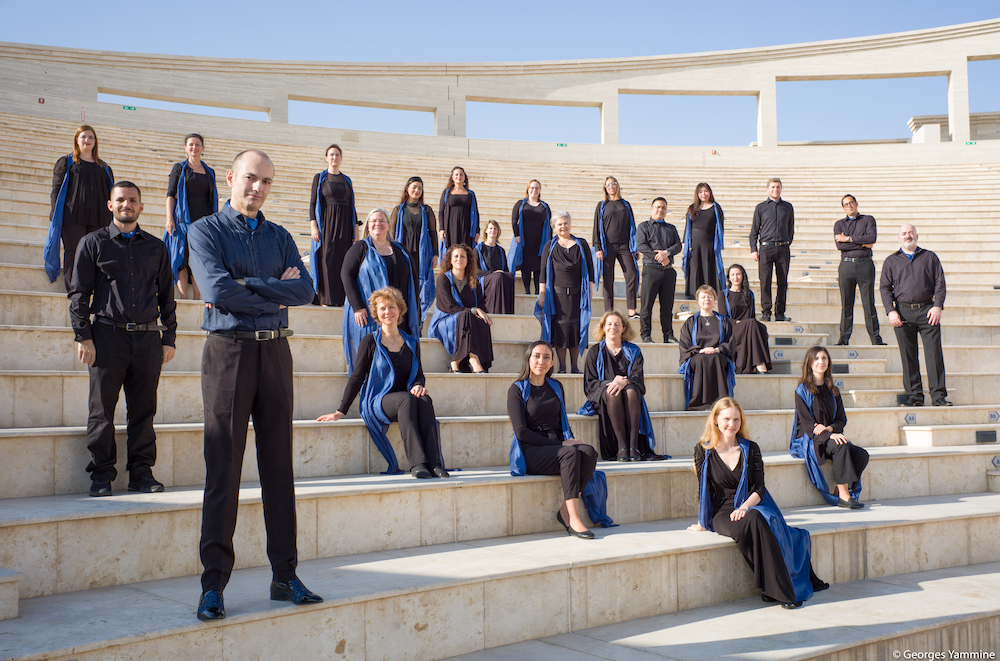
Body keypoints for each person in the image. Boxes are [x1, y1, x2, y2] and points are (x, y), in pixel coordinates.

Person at [188, 150, 321, 622]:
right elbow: (217, 291)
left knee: (279, 467)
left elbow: (305, 290)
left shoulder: (280, 235)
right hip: (229, 353)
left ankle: (285, 575)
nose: (257, 188)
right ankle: (213, 585)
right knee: (223, 467)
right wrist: (271, 288)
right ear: (230, 178)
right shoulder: (204, 231)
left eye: (266, 181)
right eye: (250, 178)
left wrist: (250, 283)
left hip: (275, 353)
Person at [69, 181, 176, 497]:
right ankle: (102, 474)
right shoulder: (93, 243)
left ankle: (141, 473)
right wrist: (83, 335)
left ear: (141, 207)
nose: (126, 204)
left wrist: (168, 337)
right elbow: (79, 293)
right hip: (106, 338)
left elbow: (167, 296)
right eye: (121, 200)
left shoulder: (157, 247)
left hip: (147, 340)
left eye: (132, 200)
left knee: (144, 410)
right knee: (102, 410)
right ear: (110, 205)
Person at [687, 398, 828, 609]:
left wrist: (744, 507)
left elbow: (759, 488)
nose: (731, 424)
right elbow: (704, 490)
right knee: (754, 523)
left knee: (755, 518)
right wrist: (701, 522)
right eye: (726, 419)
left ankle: (779, 591)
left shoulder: (750, 448)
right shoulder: (703, 450)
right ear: (715, 420)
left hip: (749, 505)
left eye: (736, 419)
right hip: (722, 513)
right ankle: (779, 590)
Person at [317, 287, 448, 479]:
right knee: (406, 399)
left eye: (392, 307)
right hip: (378, 400)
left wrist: (419, 384)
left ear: (399, 309)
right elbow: (357, 377)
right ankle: (417, 463)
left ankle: (435, 463)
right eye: (383, 308)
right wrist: (340, 411)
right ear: (376, 314)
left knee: (425, 400)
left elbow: (419, 374)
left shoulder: (411, 342)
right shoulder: (370, 341)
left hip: (406, 402)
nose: (388, 312)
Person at [508, 340, 599, 539]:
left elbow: (562, 421)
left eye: (546, 357)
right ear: (528, 360)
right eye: (537, 356)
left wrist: (570, 440)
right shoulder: (517, 389)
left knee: (589, 452)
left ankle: (564, 510)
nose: (541, 361)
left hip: (557, 446)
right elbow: (522, 433)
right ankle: (573, 518)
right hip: (532, 450)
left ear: (552, 363)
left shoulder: (556, 386)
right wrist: (561, 444)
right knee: (569, 453)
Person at [879, 223, 950, 407]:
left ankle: (938, 397)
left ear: (917, 236)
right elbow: (885, 288)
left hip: (928, 312)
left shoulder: (930, 257)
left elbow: (940, 283)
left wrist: (938, 306)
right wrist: (890, 310)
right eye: (904, 233)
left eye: (911, 232)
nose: (907, 236)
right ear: (899, 238)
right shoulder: (891, 261)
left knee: (934, 355)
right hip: (902, 314)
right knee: (908, 356)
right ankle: (915, 397)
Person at [341, 208, 420, 372]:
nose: (378, 224)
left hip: (398, 314)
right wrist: (357, 307)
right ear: (368, 225)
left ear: (388, 224)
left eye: (382, 221)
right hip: (370, 314)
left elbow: (412, 278)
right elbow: (346, 275)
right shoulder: (360, 248)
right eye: (374, 221)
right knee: (373, 360)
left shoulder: (400, 249)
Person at [579, 311, 663, 462]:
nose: (613, 327)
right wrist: (612, 383)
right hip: (606, 396)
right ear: (603, 327)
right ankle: (622, 446)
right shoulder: (595, 352)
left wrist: (625, 381)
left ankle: (633, 445)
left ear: (624, 328)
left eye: (618, 324)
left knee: (631, 391)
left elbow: (638, 377)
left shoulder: (634, 350)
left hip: (630, 392)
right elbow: (590, 382)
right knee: (613, 392)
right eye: (609, 324)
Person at [790, 347, 869, 509]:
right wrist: (826, 434)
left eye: (824, 358)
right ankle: (844, 496)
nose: (821, 362)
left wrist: (829, 430)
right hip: (812, 439)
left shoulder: (833, 390)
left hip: (828, 435)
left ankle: (842, 489)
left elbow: (841, 419)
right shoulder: (802, 391)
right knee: (841, 446)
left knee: (861, 455)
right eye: (817, 359)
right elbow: (806, 424)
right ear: (810, 363)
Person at [44, 125, 115, 289]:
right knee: (73, 252)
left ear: (95, 141)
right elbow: (56, 190)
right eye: (83, 137)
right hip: (72, 216)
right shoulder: (66, 162)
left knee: (96, 254)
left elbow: (112, 193)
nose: (87, 140)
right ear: (77, 139)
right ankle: (73, 290)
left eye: (91, 137)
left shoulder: (104, 167)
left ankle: (93, 289)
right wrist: (55, 213)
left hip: (99, 216)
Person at [536, 211, 594, 374]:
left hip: (577, 296)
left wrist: (589, 294)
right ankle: (562, 368)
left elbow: (590, 270)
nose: (563, 226)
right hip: (556, 296)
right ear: (554, 227)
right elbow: (543, 272)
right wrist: (542, 293)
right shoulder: (550, 246)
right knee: (560, 331)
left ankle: (575, 367)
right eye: (559, 224)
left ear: (570, 224)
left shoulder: (581, 244)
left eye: (566, 223)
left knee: (575, 329)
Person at [164, 133, 218, 300]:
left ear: (203, 148)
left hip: (203, 221)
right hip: (182, 220)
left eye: (197, 144)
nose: (194, 147)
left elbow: (212, 198)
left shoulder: (210, 172)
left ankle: (197, 297)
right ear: (185, 148)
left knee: (199, 258)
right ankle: (183, 297)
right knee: (183, 257)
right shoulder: (179, 168)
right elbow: (171, 194)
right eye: (191, 144)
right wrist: (169, 218)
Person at [428, 243, 494, 373]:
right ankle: (473, 360)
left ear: (468, 259)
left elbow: (480, 305)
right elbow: (449, 307)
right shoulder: (443, 279)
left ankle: (458, 361)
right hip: (444, 321)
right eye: (456, 256)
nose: (459, 259)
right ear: (451, 260)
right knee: (468, 315)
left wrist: (478, 312)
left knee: (482, 321)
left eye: (463, 256)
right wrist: (473, 311)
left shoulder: (474, 282)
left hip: (466, 321)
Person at [308, 144, 357, 306]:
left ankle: (340, 298)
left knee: (343, 261)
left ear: (341, 158)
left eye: (337, 155)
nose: (334, 157)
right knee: (326, 259)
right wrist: (313, 226)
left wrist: (355, 230)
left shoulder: (346, 180)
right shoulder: (320, 178)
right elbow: (313, 203)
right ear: (326, 158)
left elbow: (352, 206)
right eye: (331, 155)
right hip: (327, 223)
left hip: (345, 224)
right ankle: (325, 298)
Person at [834, 195, 884, 346]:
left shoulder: (868, 220)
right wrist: (863, 242)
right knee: (846, 304)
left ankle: (875, 339)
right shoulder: (839, 224)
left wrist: (848, 239)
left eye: (851, 203)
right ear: (843, 208)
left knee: (869, 303)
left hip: (865, 266)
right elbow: (840, 246)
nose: (849, 206)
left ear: (856, 204)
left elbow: (872, 238)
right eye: (846, 205)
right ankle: (844, 339)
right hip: (846, 266)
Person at [678, 285, 735, 411]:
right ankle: (698, 403)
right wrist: (700, 350)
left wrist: (717, 349)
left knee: (716, 358)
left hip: (719, 354)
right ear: (698, 301)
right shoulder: (691, 321)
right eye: (703, 297)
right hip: (696, 355)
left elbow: (730, 342)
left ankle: (722, 403)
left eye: (710, 296)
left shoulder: (723, 320)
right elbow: (685, 344)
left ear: (714, 300)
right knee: (701, 359)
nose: (706, 299)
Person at [390, 176, 438, 323]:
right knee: (403, 285)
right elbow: (391, 233)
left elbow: (433, 232)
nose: (417, 190)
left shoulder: (427, 210)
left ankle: (418, 321)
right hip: (403, 252)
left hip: (421, 254)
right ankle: (401, 320)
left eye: (420, 188)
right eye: (414, 187)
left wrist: (435, 254)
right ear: (407, 188)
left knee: (419, 288)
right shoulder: (398, 209)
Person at [636, 197, 681, 344]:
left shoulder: (671, 228)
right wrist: (660, 257)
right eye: (657, 207)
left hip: (668, 272)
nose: (660, 210)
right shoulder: (643, 226)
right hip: (651, 270)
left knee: (667, 306)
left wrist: (667, 252)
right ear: (651, 209)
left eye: (663, 207)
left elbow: (678, 245)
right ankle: (646, 335)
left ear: (666, 210)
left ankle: (668, 335)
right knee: (646, 305)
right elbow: (642, 246)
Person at [592, 176, 638, 317]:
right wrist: (597, 247)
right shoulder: (602, 205)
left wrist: (634, 247)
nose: (611, 186)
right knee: (608, 279)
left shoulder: (625, 204)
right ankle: (609, 311)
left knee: (632, 274)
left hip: (625, 246)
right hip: (607, 247)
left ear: (617, 186)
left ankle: (632, 310)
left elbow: (632, 225)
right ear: (605, 189)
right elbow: (596, 229)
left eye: (613, 184)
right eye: (608, 185)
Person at [749, 178, 794, 322]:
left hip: (783, 248)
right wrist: (753, 249)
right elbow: (754, 231)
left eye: (778, 187)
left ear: (781, 189)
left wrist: (786, 243)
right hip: (766, 248)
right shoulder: (760, 207)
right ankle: (766, 312)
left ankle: (780, 313)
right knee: (765, 281)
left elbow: (790, 229)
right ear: (767, 189)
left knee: (782, 281)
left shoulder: (788, 207)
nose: (775, 189)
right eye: (773, 187)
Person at [720, 264, 771, 374]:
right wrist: (736, 322)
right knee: (752, 323)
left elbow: (751, 315)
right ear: (729, 277)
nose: (735, 277)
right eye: (732, 275)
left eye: (738, 274)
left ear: (743, 276)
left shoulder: (749, 294)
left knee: (761, 327)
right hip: (733, 328)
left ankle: (756, 363)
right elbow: (722, 318)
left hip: (748, 327)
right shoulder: (723, 295)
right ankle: (759, 363)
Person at [683, 183, 725, 300]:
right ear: (697, 194)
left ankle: (711, 294)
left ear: (710, 192)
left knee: (709, 267)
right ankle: (693, 293)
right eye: (700, 191)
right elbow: (687, 227)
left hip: (710, 244)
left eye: (705, 191)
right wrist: (684, 243)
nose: (703, 194)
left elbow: (720, 227)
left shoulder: (716, 208)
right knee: (695, 267)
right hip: (694, 244)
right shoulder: (692, 208)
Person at [509, 179, 551, 294]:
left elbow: (549, 225)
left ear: (540, 190)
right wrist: (517, 235)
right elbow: (514, 220)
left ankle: (538, 291)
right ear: (528, 189)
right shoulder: (520, 204)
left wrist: (550, 241)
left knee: (538, 266)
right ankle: (527, 290)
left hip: (540, 240)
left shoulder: (545, 206)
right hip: (525, 239)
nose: (534, 190)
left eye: (537, 188)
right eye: (532, 187)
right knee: (526, 265)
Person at [475, 219, 515, 314]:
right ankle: (494, 311)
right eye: (490, 228)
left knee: (509, 276)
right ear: (486, 231)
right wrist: (492, 273)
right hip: (483, 278)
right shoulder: (478, 250)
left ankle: (507, 312)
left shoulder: (501, 250)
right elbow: (475, 271)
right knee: (498, 276)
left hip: (498, 278)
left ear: (498, 232)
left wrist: (499, 274)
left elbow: (505, 269)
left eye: (495, 228)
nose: (493, 230)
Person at [438, 166, 479, 250]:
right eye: (456, 174)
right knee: (451, 251)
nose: (459, 176)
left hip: (466, 227)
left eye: (461, 174)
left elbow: (476, 213)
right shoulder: (446, 193)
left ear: (464, 177)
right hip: (451, 227)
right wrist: (441, 228)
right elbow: (441, 212)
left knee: (466, 251)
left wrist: (477, 231)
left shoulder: (470, 194)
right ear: (452, 177)